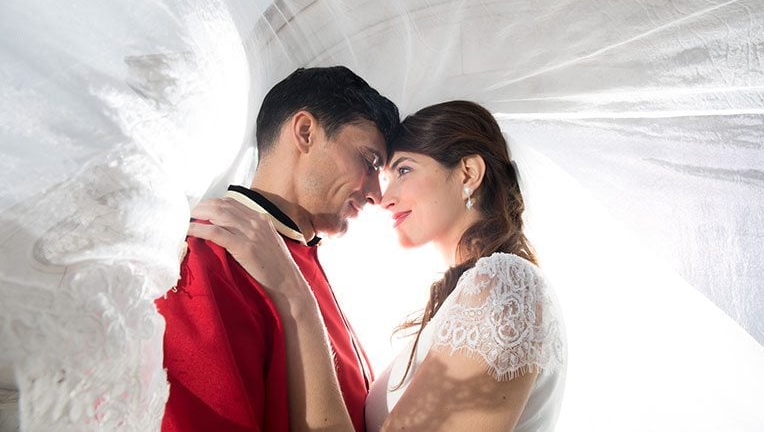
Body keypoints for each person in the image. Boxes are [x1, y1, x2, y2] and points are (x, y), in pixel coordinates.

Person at [191, 100, 567, 432]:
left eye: (403, 170)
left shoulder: (503, 286)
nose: (384, 198)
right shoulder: (465, 298)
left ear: (468, 173)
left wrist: (295, 299)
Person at [156, 66, 400, 432]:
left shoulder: (305, 257)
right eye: (369, 162)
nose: (375, 194)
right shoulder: (211, 254)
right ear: (305, 132)